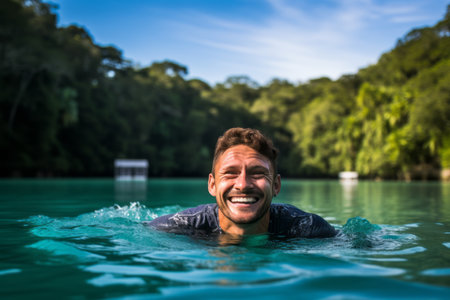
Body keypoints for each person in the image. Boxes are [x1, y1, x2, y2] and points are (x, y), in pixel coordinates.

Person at [146, 127, 336, 239]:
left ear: (276, 185)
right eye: (230, 173)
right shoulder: (176, 227)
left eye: (257, 173)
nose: (243, 184)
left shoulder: (307, 228)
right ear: (212, 184)